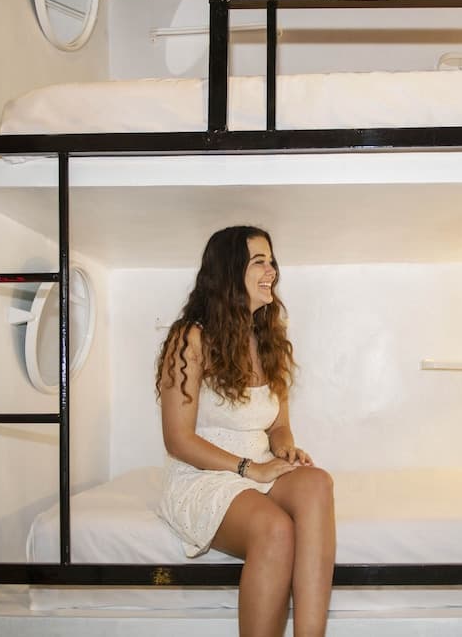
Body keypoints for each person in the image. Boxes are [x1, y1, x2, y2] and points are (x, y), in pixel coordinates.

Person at [155, 225, 335, 637]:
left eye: (272, 261)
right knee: (276, 529)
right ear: (229, 271)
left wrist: (285, 449)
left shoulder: (269, 339)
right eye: (259, 262)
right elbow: (177, 439)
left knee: (317, 483)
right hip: (202, 474)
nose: (271, 271)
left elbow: (279, 424)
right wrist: (250, 469)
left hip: (258, 466)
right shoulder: (190, 338)